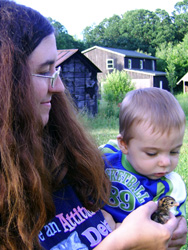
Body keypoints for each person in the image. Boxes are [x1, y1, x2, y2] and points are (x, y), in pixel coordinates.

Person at [0, 1, 186, 249]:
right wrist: (123, 243)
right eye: (45, 71)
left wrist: (156, 232)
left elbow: (97, 224)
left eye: (56, 70)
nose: (59, 87)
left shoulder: (60, 152)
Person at [101, 88, 187, 246]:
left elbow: (163, 227)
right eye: (152, 153)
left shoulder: (171, 186)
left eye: (174, 151)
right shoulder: (107, 153)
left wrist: (118, 230)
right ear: (124, 144)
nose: (165, 162)